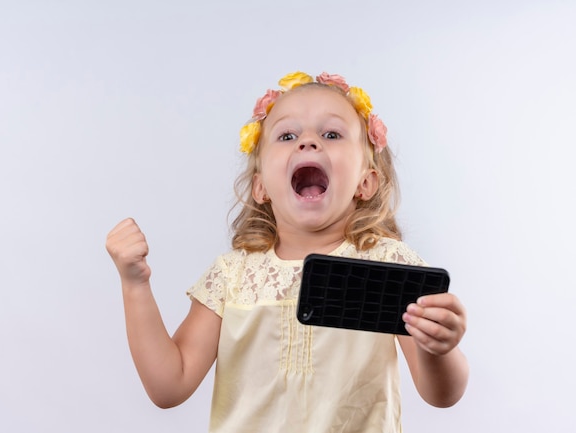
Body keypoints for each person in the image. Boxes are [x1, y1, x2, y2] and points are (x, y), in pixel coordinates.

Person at [106, 71, 469, 432]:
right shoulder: (231, 276)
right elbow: (169, 385)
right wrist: (134, 284)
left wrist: (440, 347)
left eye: (331, 134)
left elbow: (441, 395)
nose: (308, 143)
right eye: (287, 135)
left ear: (366, 181)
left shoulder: (390, 265)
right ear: (261, 186)